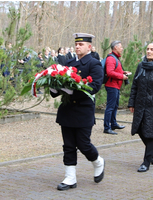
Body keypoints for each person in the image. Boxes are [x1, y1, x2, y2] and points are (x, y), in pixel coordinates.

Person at [50, 33, 105, 191]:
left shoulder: (94, 64)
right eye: (76, 44)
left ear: (89, 46)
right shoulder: (69, 62)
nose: (77, 46)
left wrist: (71, 91)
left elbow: (94, 87)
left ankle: (98, 162)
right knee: (68, 145)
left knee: (83, 144)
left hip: (83, 110)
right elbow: (60, 83)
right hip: (68, 110)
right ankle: (70, 178)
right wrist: (53, 87)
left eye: (81, 44)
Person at [128, 42, 153, 172]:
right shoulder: (141, 66)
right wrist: (131, 102)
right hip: (140, 104)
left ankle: (146, 161)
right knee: (139, 129)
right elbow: (134, 85)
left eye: (152, 49)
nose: (149, 51)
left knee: (151, 134)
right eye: (147, 49)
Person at [103, 40, 129, 135]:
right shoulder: (111, 58)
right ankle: (107, 127)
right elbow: (110, 72)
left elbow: (116, 70)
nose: (122, 49)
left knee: (115, 106)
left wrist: (123, 72)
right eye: (120, 47)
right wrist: (121, 76)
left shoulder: (116, 58)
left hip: (116, 86)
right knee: (110, 107)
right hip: (111, 86)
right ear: (115, 48)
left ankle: (113, 124)